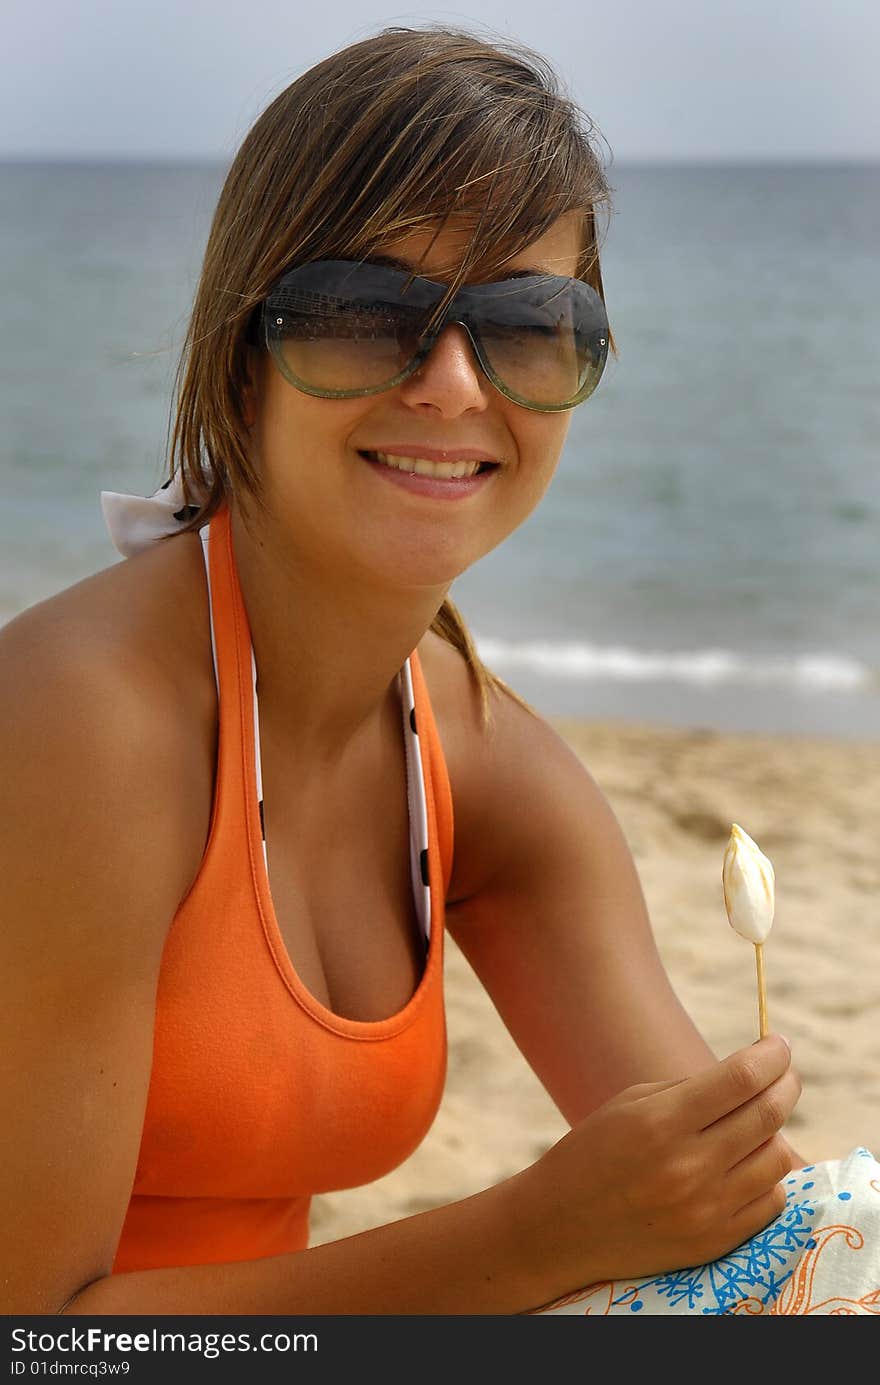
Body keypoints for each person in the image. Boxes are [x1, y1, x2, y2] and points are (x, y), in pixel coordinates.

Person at [2, 24, 873, 1319]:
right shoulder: (81, 725)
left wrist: (787, 1226)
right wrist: (524, 1236)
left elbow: (740, 1225)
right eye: (368, 313)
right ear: (246, 355)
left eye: (528, 325)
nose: (455, 383)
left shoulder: (475, 762)